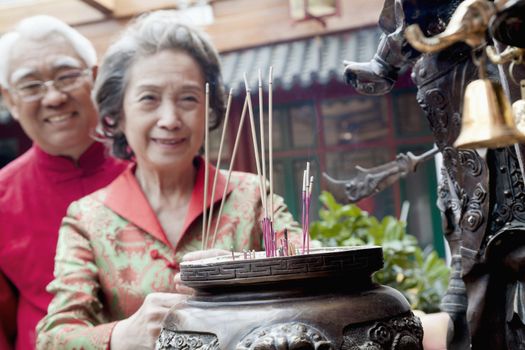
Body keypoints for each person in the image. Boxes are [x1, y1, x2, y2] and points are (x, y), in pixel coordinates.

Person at [36, 11, 301, 350]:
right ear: (117, 114)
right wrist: (121, 336)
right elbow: (53, 336)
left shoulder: (252, 195)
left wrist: (243, 273)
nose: (170, 119)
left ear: (209, 109)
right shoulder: (87, 219)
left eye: (188, 99)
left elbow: (317, 272)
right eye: (149, 98)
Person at [0, 16, 128, 349]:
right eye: (30, 85)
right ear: (9, 100)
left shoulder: (150, 171)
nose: (54, 97)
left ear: (96, 78)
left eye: (67, 76)